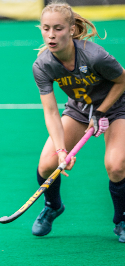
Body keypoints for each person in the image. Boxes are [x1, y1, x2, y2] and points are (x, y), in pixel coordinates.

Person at [31, 1, 125, 242]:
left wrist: (102, 112)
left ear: (71, 30)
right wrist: (62, 150)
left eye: (58, 28)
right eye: (46, 28)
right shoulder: (43, 65)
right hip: (80, 109)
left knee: (116, 166)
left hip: (117, 107)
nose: (51, 35)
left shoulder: (94, 55)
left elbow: (122, 81)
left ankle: (121, 219)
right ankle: (53, 206)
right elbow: (51, 112)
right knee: (46, 164)